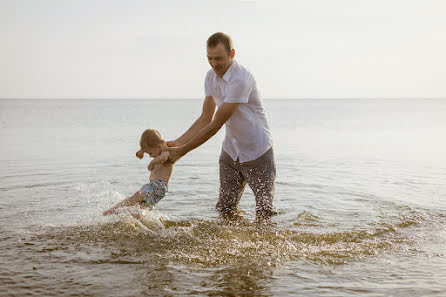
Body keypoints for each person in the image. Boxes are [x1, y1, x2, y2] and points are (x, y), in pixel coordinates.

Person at [167, 32, 276, 222]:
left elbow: (216, 124)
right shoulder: (210, 78)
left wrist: (181, 152)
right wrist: (177, 143)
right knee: (226, 209)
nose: (214, 63)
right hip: (231, 152)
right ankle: (228, 249)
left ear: (232, 54)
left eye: (219, 58)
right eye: (209, 58)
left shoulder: (241, 79)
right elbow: (205, 118)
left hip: (257, 152)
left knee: (264, 213)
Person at [103, 129, 172, 216]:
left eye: (150, 153)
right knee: (141, 207)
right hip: (158, 190)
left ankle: (111, 211)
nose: (150, 156)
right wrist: (142, 151)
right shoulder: (158, 150)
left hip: (156, 186)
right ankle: (135, 220)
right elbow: (150, 149)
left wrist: (152, 163)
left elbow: (164, 158)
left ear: (159, 146)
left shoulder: (166, 152)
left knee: (133, 198)